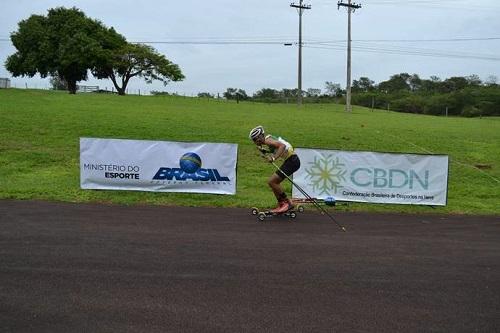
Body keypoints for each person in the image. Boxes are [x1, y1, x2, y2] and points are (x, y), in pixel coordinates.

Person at [249, 125, 301, 213]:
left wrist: (273, 158)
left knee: (272, 181)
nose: (255, 142)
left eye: (255, 139)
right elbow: (276, 148)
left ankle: (287, 204)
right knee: (272, 182)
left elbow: (282, 146)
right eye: (253, 140)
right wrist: (265, 152)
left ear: (261, 136)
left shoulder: (268, 140)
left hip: (292, 161)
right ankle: (282, 204)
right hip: (291, 160)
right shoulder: (267, 141)